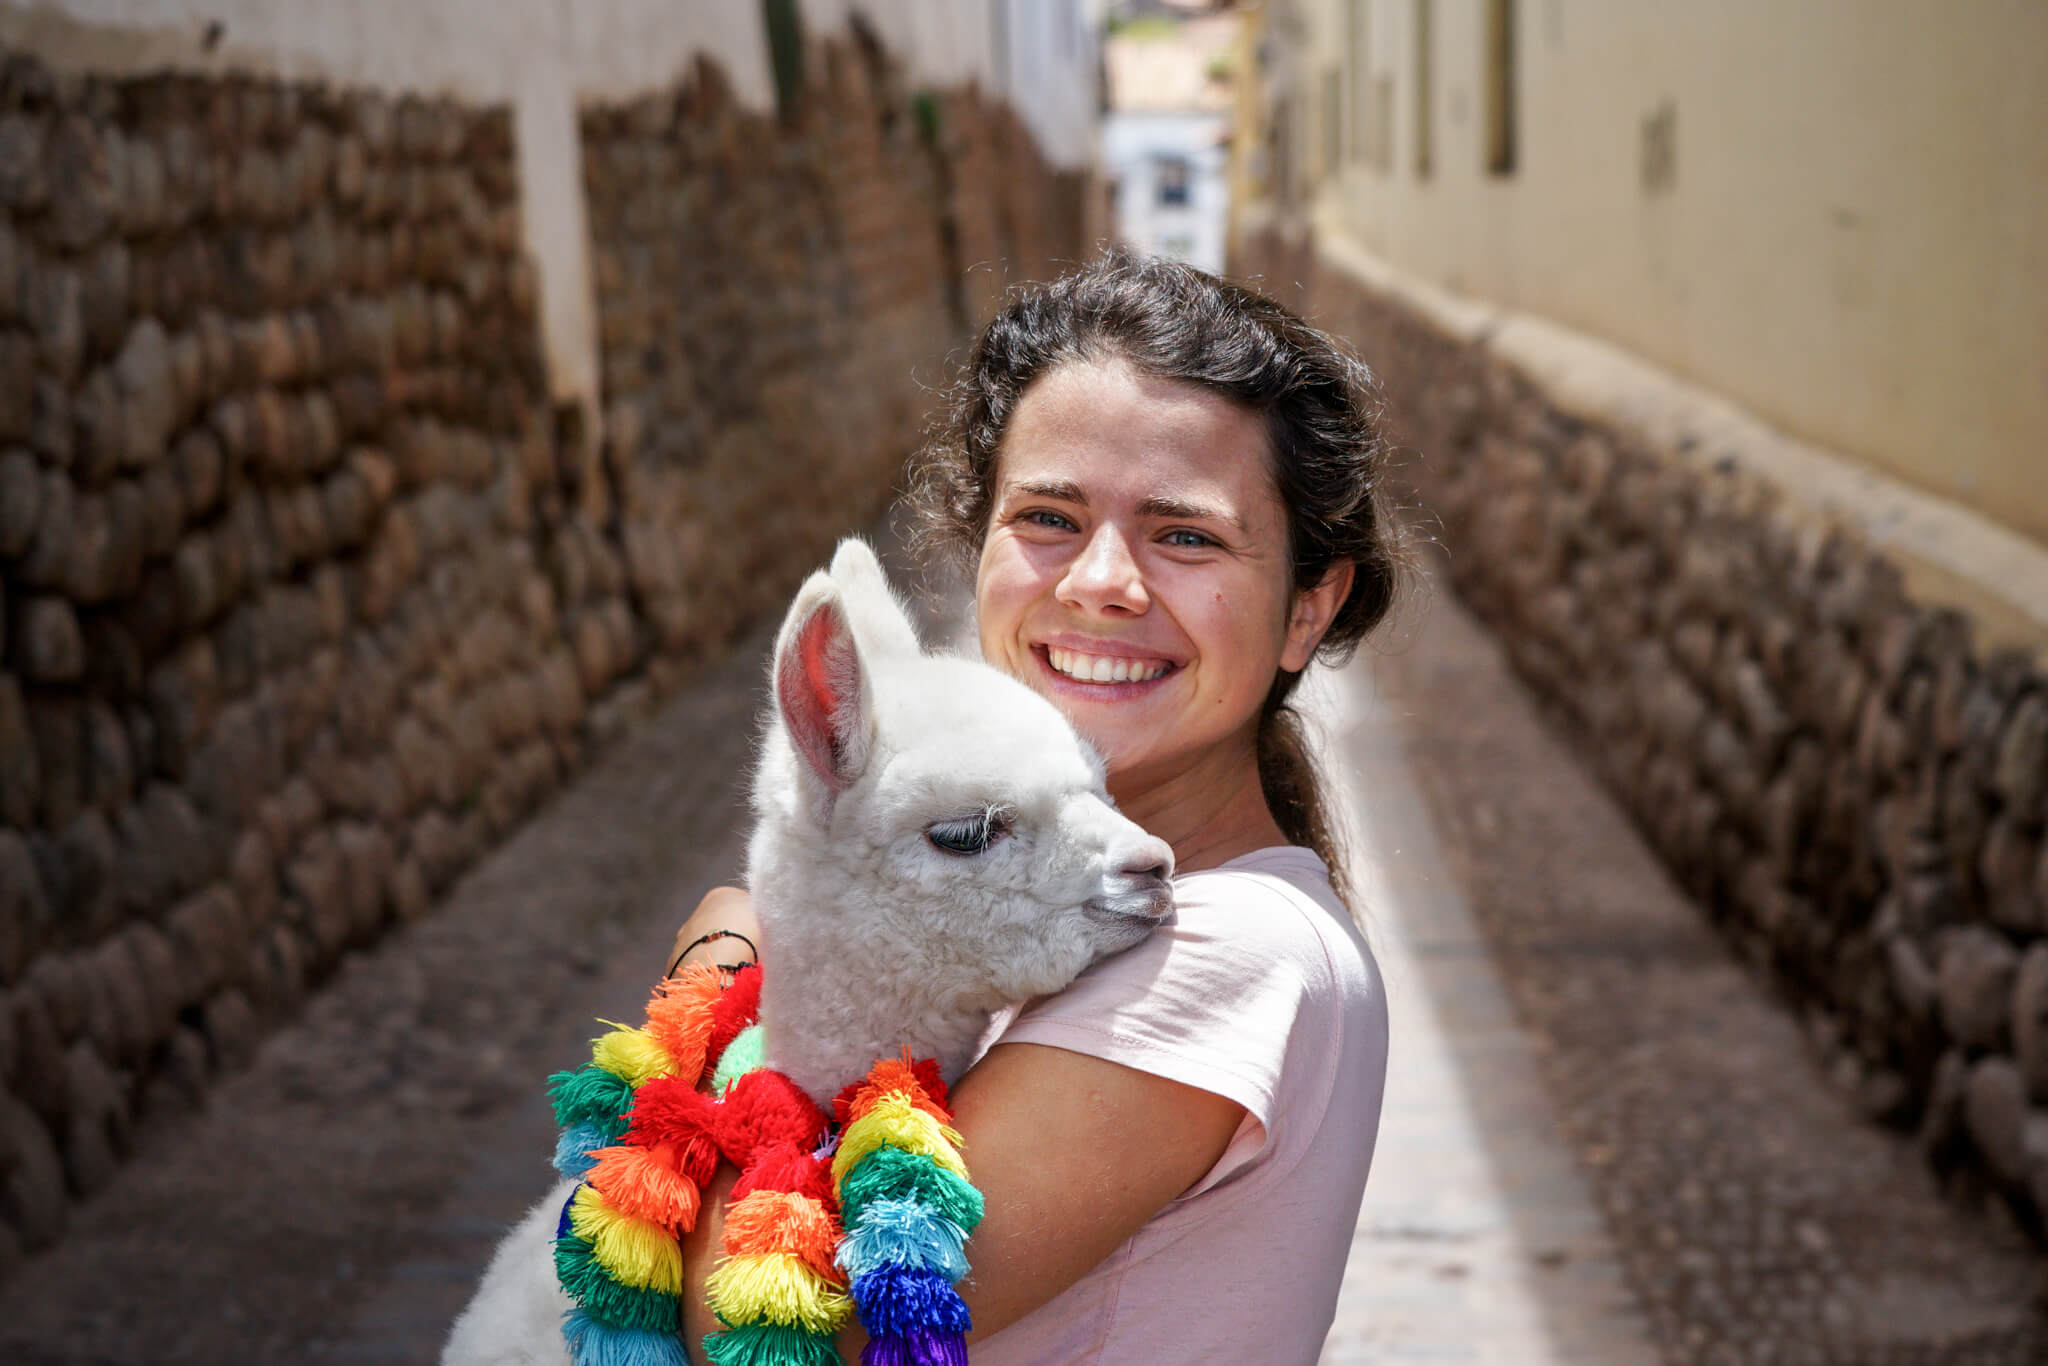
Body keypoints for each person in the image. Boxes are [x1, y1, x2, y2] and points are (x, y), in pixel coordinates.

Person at [667, 251, 1402, 1363]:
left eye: (1186, 535)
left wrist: (723, 958)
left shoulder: (1223, 951)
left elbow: (763, 1319)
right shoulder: (1036, 930)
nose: (1100, 580)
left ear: (1308, 608)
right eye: (1049, 517)